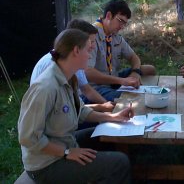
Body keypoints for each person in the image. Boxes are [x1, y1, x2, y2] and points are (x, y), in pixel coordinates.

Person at [18, 29, 133, 184]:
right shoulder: (45, 88)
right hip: (46, 166)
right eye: (88, 49)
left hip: (64, 144)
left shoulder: (68, 76)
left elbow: (81, 110)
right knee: (120, 163)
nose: (90, 54)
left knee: (112, 136)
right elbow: (28, 137)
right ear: (76, 51)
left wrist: (113, 117)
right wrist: (66, 152)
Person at [30, 19, 114, 113]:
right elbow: (69, 111)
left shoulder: (72, 61)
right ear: (76, 48)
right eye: (91, 41)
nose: (93, 46)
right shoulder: (51, 73)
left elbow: (85, 91)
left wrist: (106, 105)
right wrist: (102, 108)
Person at [86, 0, 156, 101]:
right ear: (109, 16)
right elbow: (88, 72)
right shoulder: (91, 35)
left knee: (149, 69)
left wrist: (135, 72)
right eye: (120, 21)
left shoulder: (114, 36)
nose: (122, 27)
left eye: (125, 23)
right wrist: (121, 81)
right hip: (96, 86)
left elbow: (133, 57)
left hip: (114, 80)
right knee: (126, 99)